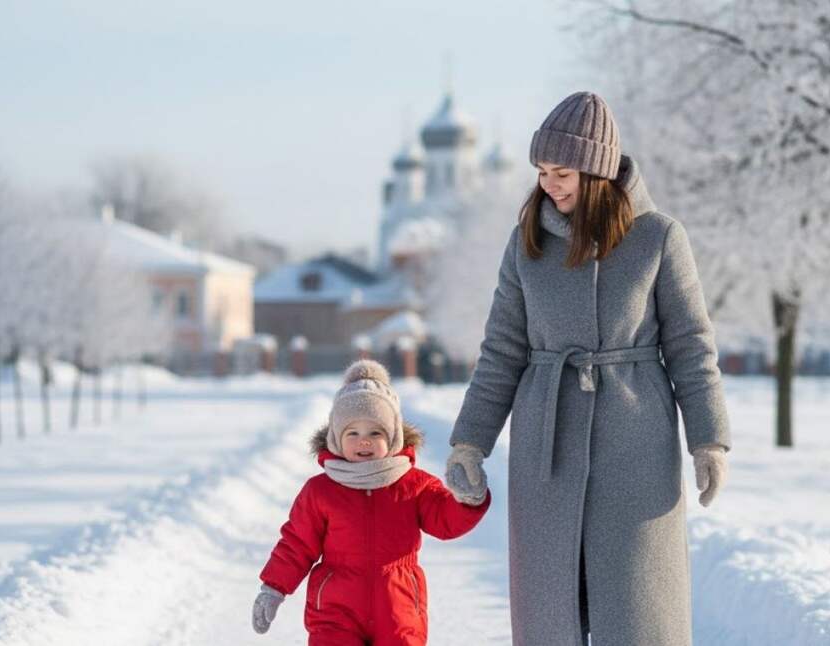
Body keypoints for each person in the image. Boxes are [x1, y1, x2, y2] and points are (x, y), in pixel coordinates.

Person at [443, 91, 731, 646]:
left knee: (637, 607)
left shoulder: (658, 237)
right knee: (551, 607)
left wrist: (709, 441)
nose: (550, 184)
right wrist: (469, 442)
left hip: (634, 437)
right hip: (546, 437)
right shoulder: (527, 241)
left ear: (597, 172)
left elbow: (692, 347)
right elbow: (502, 349)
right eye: (542, 172)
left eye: (563, 172)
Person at [253, 359, 491, 645]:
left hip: (398, 608)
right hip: (335, 611)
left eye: (375, 433)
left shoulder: (414, 485)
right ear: (336, 438)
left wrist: (467, 499)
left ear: (393, 437)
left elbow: (445, 520)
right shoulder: (320, 491)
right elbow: (297, 545)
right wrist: (273, 588)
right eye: (352, 433)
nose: (363, 441)